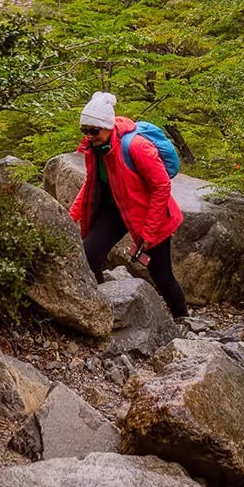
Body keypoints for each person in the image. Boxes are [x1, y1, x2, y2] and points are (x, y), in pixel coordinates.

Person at [69, 91, 188, 320]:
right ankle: (102, 313)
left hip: (149, 212)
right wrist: (70, 215)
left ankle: (183, 320)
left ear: (108, 126)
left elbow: (161, 186)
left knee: (161, 275)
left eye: (94, 130)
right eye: (85, 130)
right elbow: (90, 183)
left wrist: (149, 232)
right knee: (89, 256)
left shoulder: (136, 147)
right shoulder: (95, 149)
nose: (90, 136)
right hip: (115, 208)